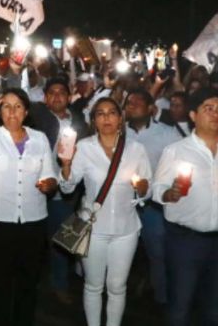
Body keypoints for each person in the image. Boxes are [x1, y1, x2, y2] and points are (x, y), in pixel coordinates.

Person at [153, 87, 218, 326]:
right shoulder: (176, 150)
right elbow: (156, 189)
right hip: (185, 240)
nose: (216, 114)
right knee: (181, 304)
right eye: (208, 109)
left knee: (215, 305)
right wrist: (169, 192)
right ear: (193, 115)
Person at [60, 97, 151, 326]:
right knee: (93, 285)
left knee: (117, 286)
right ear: (94, 121)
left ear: (120, 119)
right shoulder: (84, 148)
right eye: (100, 113)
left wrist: (142, 188)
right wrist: (67, 164)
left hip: (126, 228)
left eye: (112, 112)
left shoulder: (135, 149)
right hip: (93, 228)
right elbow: (68, 186)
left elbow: (147, 188)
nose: (107, 117)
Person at [0, 86, 57, 326]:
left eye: (18, 106)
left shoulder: (39, 138)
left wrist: (48, 184)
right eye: (6, 106)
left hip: (32, 221)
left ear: (26, 111)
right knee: (0, 283)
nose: (12, 112)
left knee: (28, 283)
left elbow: (50, 175)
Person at [30, 77, 89, 304]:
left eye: (61, 92)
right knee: (35, 239)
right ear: (45, 98)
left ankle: (60, 283)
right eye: (51, 92)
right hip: (37, 188)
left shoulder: (79, 122)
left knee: (61, 239)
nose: (56, 96)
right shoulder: (37, 117)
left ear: (69, 96)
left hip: (65, 192)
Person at [123, 88, 182, 305]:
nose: (132, 104)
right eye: (129, 101)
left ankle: (162, 296)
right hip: (123, 202)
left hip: (151, 204)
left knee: (157, 250)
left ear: (151, 109)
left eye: (138, 101)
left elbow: (181, 160)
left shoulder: (167, 133)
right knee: (123, 249)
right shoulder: (118, 132)